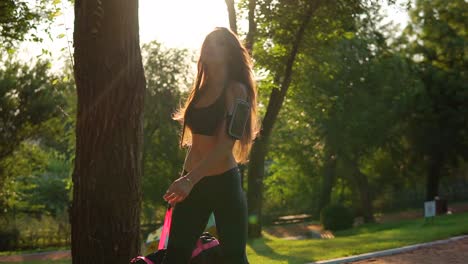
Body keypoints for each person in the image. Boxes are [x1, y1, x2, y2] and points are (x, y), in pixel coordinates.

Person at [162, 27, 260, 264]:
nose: (210, 49)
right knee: (175, 255)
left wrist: (189, 180)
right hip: (192, 182)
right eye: (207, 44)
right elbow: (195, 144)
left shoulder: (237, 90)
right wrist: (184, 179)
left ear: (229, 53)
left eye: (218, 44)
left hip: (223, 184)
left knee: (234, 258)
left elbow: (226, 144)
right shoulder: (200, 90)